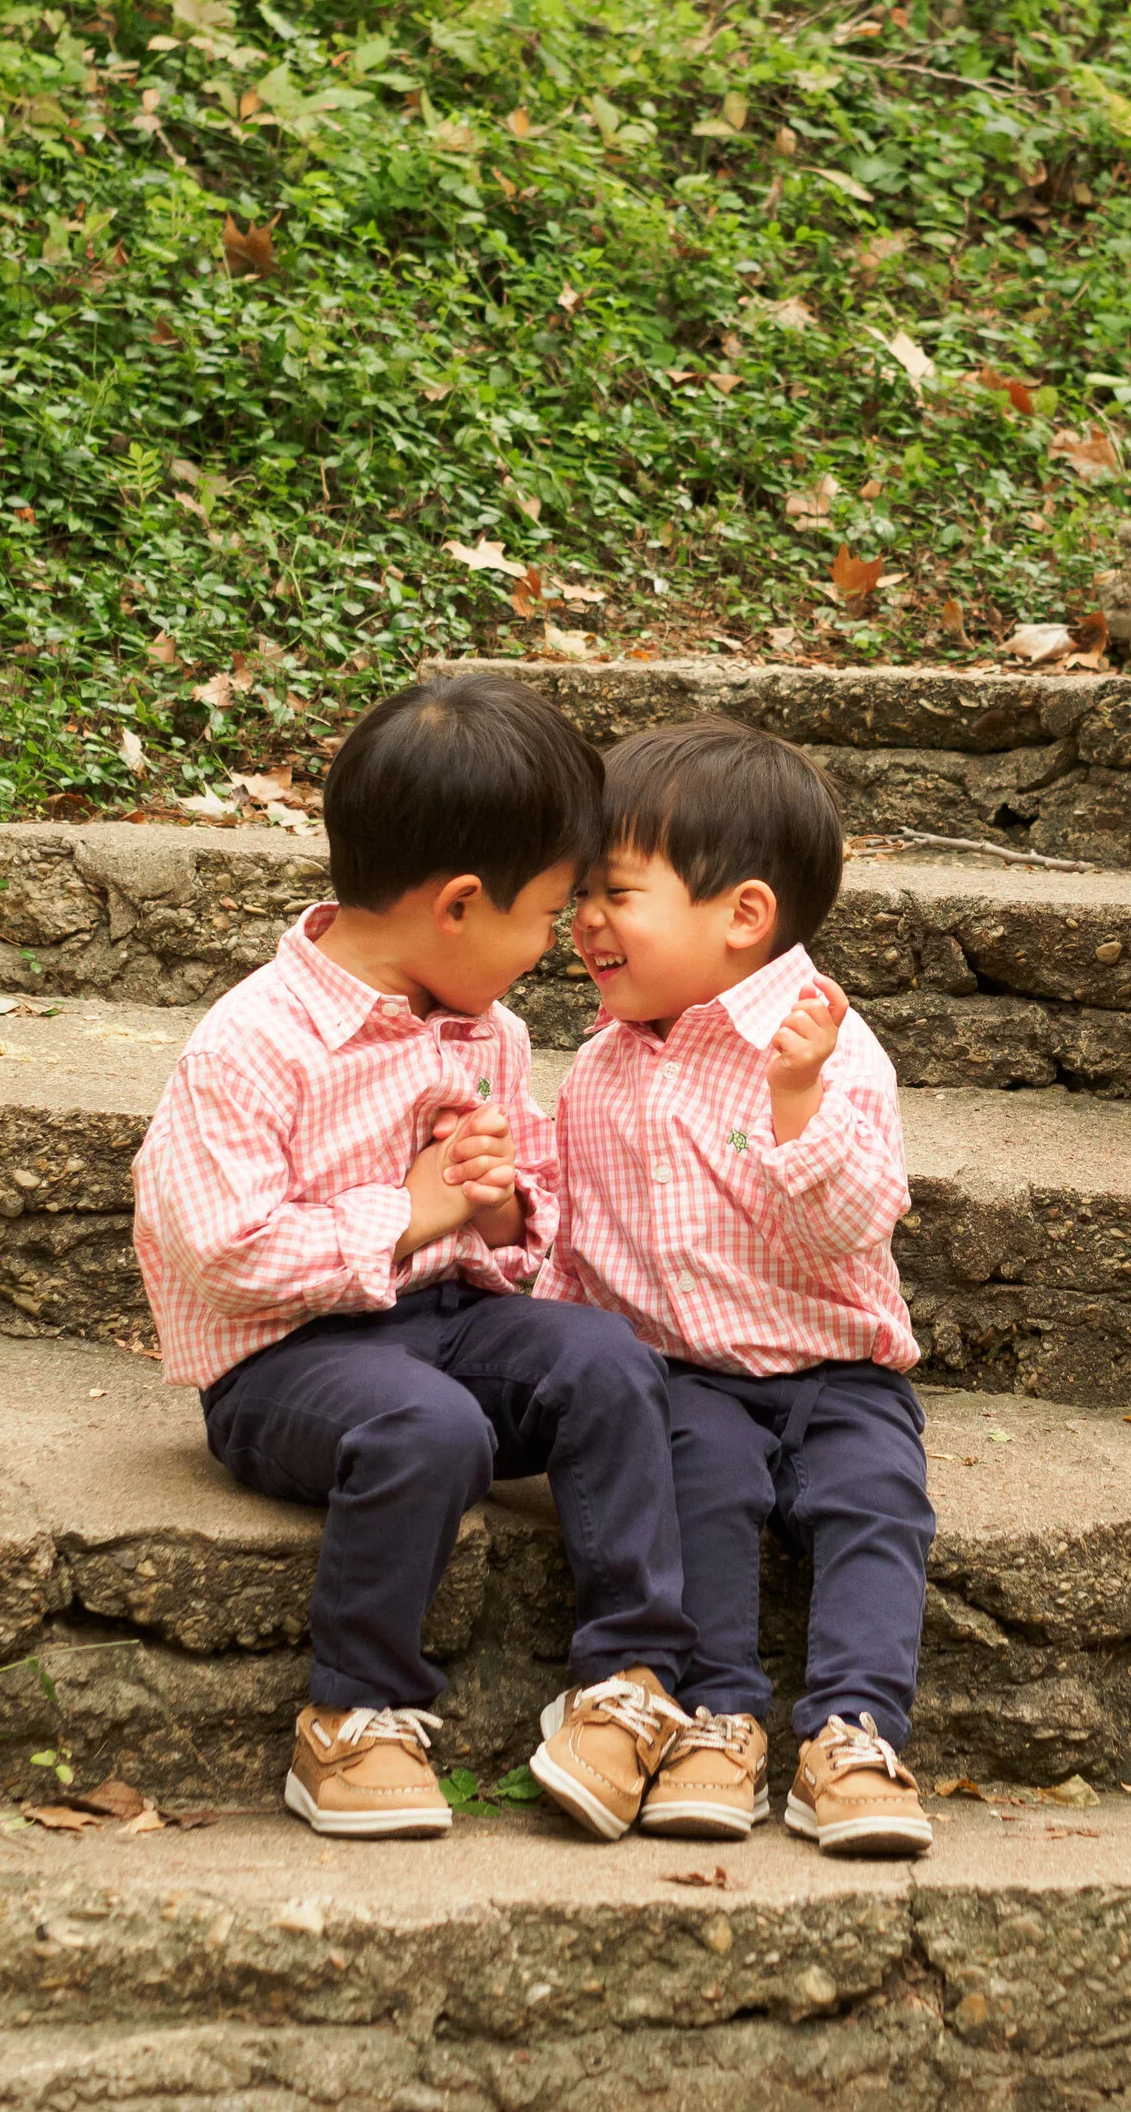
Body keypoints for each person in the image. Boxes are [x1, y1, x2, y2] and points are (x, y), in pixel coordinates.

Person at [132, 674, 696, 1844]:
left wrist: (489, 1212)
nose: (553, 944)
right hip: (283, 1365)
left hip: (443, 1326)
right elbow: (225, 1252)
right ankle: (354, 1713)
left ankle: (629, 1679)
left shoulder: (487, 1029)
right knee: (426, 1428)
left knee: (602, 1359)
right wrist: (408, 1207)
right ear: (458, 905)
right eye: (545, 915)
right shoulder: (250, 1046)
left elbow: (507, 1231)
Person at [522, 714, 935, 1859]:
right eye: (579, 897)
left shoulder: (826, 1050)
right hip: (687, 1376)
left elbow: (857, 1224)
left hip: (843, 1374)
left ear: (743, 916)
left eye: (613, 894)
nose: (583, 922)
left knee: (876, 1507)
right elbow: (579, 1249)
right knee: (694, 1491)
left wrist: (796, 1107)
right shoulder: (601, 1070)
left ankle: (853, 1731)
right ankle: (717, 1717)